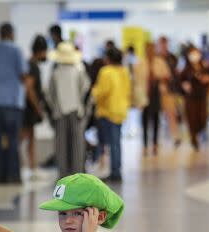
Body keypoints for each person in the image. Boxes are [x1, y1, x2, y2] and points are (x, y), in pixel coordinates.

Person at [0, 22, 28, 183]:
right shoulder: (16, 50)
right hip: (12, 103)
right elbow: (23, 75)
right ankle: (13, 176)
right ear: (11, 33)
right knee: (13, 140)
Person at [47, 42, 90, 178]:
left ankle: (63, 174)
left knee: (61, 145)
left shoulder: (56, 72)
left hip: (60, 113)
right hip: (76, 111)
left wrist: (55, 107)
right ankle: (78, 174)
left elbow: (50, 93)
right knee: (77, 144)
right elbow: (85, 88)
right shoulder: (79, 70)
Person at [91, 48, 130, 183]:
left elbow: (102, 91)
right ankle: (116, 170)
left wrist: (93, 92)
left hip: (107, 111)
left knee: (106, 143)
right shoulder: (124, 71)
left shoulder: (105, 72)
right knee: (117, 142)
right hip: (120, 110)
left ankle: (113, 172)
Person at [21, 35, 48, 177]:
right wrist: (37, 107)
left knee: (30, 137)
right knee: (23, 137)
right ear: (41, 51)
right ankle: (29, 168)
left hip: (28, 108)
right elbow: (29, 88)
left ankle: (33, 167)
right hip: (28, 109)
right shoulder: (32, 66)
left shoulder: (30, 64)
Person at [180, 46, 209, 151]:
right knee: (192, 118)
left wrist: (207, 79)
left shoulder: (204, 66)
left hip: (202, 96)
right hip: (190, 98)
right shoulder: (186, 68)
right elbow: (180, 80)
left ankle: (199, 132)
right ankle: (193, 138)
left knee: (202, 118)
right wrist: (184, 86)